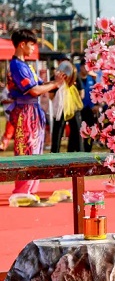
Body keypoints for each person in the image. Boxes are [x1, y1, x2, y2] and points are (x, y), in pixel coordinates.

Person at [6, 29, 66, 207]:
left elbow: (41, 86)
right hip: (25, 111)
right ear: (22, 44)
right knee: (26, 150)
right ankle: (21, 192)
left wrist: (57, 81)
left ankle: (30, 191)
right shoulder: (17, 66)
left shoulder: (27, 66)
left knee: (36, 149)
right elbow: (33, 90)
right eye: (31, 44)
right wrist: (54, 84)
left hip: (33, 110)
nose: (33, 48)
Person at [50, 59, 84, 153]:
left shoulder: (75, 76)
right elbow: (51, 96)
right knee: (58, 132)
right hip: (61, 109)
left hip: (72, 108)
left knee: (77, 131)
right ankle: (54, 154)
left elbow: (81, 93)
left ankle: (77, 152)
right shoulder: (55, 78)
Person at [78, 60, 99, 152]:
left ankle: (88, 150)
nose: (86, 69)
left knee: (90, 130)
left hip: (90, 109)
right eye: (85, 67)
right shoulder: (76, 79)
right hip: (79, 109)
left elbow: (97, 93)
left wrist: (97, 105)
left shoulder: (92, 79)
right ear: (81, 67)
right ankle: (78, 150)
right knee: (78, 131)